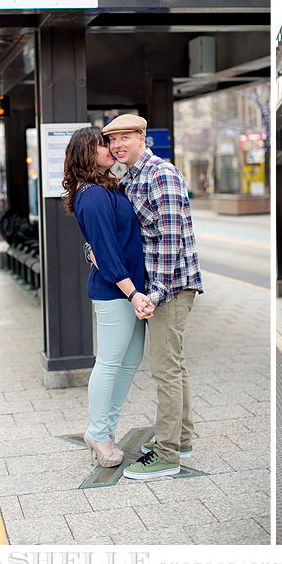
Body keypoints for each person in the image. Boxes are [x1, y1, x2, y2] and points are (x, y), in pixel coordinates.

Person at [90, 113, 204, 479]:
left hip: (171, 287)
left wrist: (154, 293)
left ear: (143, 137)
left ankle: (168, 454)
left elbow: (170, 240)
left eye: (126, 137)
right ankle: (181, 438)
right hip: (158, 286)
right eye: (113, 140)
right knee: (175, 365)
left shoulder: (161, 174)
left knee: (165, 370)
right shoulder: (131, 176)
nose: (118, 145)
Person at [61, 126, 152, 468]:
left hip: (128, 291)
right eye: (102, 144)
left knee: (128, 363)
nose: (109, 148)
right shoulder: (93, 195)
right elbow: (107, 251)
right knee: (111, 363)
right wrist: (133, 295)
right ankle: (98, 434)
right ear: (88, 152)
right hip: (117, 293)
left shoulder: (104, 187)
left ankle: (106, 430)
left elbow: (101, 247)